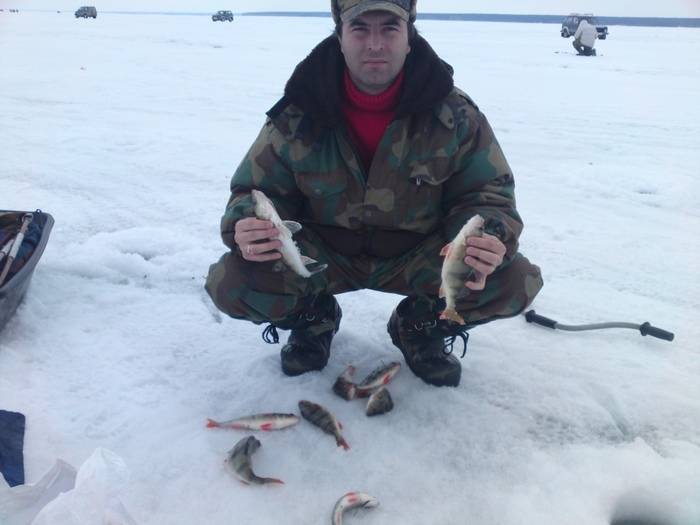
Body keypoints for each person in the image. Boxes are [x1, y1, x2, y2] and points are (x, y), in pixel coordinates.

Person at [205, 0, 543, 388]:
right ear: (340, 35)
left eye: (390, 28)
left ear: (409, 36)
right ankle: (314, 318)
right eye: (361, 28)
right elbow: (254, 192)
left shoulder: (455, 115)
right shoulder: (296, 113)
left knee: (514, 280)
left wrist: (490, 237)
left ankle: (420, 324)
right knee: (233, 282)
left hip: (420, 256)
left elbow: (488, 194)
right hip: (321, 256)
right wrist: (245, 224)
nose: (375, 44)